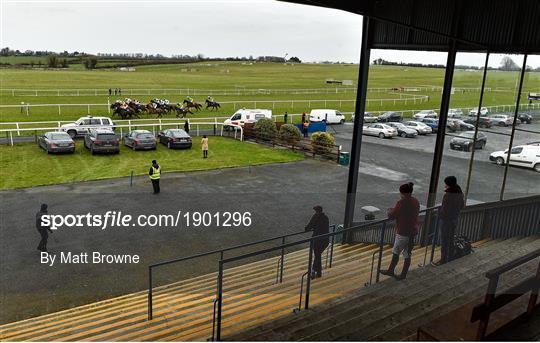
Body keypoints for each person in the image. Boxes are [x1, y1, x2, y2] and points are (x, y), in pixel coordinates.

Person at [380, 182, 420, 280]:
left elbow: (392, 215)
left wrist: (390, 210)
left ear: (403, 193)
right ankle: (403, 275)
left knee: (396, 251)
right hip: (413, 230)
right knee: (407, 254)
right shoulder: (415, 201)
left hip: (403, 232)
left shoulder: (401, 202)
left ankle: (390, 270)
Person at [433, 176, 465, 265]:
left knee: (444, 240)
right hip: (454, 219)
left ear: (448, 184)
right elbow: (462, 206)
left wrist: (439, 215)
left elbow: (444, 211)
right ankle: (450, 257)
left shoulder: (448, 195)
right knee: (450, 239)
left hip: (446, 221)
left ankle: (443, 260)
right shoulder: (459, 192)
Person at [305, 205, 329, 279]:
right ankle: (318, 272)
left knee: (317, 255)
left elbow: (310, 226)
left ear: (317, 211)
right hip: (325, 240)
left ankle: (314, 271)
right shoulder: (325, 217)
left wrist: (306, 229)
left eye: (316, 211)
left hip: (317, 240)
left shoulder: (316, 217)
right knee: (317, 256)